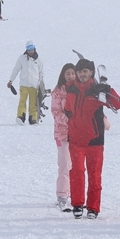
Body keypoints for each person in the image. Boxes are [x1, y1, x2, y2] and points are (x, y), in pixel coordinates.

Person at [64, 58, 120, 218]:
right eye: (80, 71)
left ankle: (93, 208)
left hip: (94, 140)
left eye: (86, 71)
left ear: (91, 73)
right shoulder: (70, 89)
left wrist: (108, 89)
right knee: (76, 172)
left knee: (94, 175)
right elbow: (67, 109)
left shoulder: (98, 91)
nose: (83, 74)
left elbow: (118, 105)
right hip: (75, 140)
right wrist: (72, 121)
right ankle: (77, 204)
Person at [50, 63, 77, 210]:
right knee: (65, 164)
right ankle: (62, 194)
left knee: (77, 165)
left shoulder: (79, 90)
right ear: (63, 75)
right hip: (62, 134)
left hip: (78, 133)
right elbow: (55, 111)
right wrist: (69, 120)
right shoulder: (57, 92)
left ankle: (76, 194)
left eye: (73, 73)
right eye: (68, 73)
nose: (71, 76)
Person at [8, 41, 44, 125]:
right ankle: (20, 116)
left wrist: (41, 83)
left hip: (34, 85)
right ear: (26, 50)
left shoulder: (39, 59)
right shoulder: (22, 58)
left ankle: (33, 118)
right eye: (28, 49)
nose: (30, 51)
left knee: (33, 102)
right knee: (22, 101)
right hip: (24, 84)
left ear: (34, 49)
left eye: (32, 49)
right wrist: (11, 80)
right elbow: (16, 69)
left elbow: (41, 72)